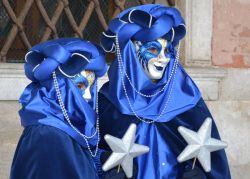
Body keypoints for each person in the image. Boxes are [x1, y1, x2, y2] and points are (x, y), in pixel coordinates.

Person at [98, 4, 231, 179]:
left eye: (168, 50)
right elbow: (92, 153)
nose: (164, 59)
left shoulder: (186, 99)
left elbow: (212, 161)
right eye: (153, 49)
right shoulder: (109, 101)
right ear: (131, 50)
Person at [10, 38, 107, 179]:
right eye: (80, 86)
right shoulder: (47, 134)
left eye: (90, 87)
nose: (88, 95)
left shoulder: (70, 127)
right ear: (56, 88)